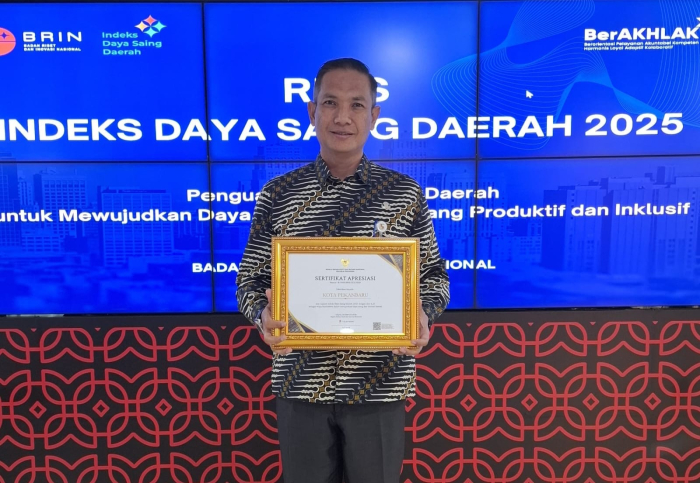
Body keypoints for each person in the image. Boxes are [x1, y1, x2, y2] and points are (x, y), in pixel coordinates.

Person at [236, 58, 450, 483]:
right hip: (300, 380)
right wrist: (262, 315)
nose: (342, 117)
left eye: (356, 105)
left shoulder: (403, 194)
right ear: (312, 112)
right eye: (330, 103)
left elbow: (433, 278)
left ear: (374, 116)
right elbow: (250, 280)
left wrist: (424, 315)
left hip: (380, 381)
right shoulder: (279, 194)